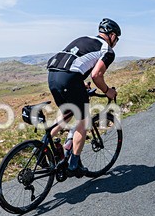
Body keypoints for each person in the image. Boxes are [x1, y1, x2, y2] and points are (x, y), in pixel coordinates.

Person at [45, 18, 120, 177]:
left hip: (53, 76)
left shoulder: (84, 39)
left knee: (66, 113)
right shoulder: (107, 50)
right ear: (112, 35)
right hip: (69, 79)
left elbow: (73, 62)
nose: (116, 42)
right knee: (84, 120)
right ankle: (74, 164)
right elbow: (96, 75)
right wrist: (108, 91)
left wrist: (79, 83)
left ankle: (42, 148)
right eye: (117, 39)